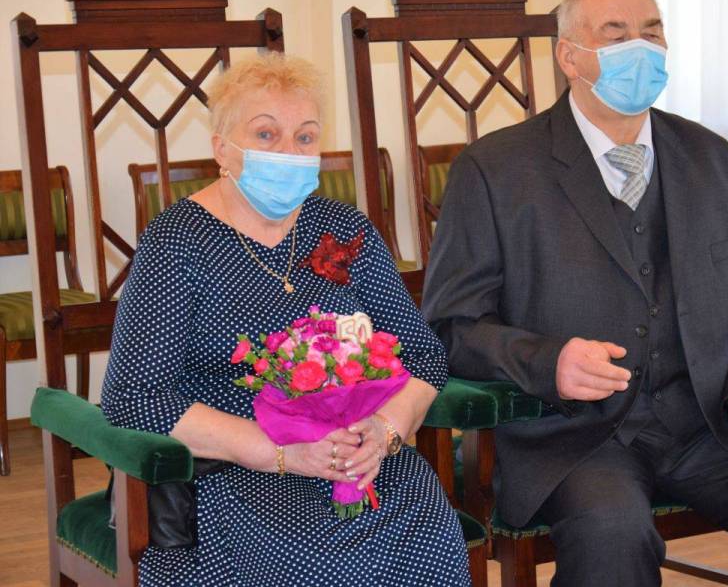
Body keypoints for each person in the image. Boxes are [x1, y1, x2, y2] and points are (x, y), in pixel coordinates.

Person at [422, 0, 728, 587]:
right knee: (612, 534)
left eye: (651, 34)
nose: (640, 49)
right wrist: (549, 360)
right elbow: (451, 325)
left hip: (707, 422)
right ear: (569, 56)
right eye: (616, 34)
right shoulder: (495, 170)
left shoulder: (710, 157)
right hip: (575, 436)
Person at [101, 53, 469, 586]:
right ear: (221, 148)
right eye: (266, 134)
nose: (289, 152)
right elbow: (135, 397)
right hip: (232, 468)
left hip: (359, 460)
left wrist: (385, 430)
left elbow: (423, 355)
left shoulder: (344, 228)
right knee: (315, 562)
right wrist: (280, 451)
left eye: (305, 137)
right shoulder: (177, 240)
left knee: (426, 533)